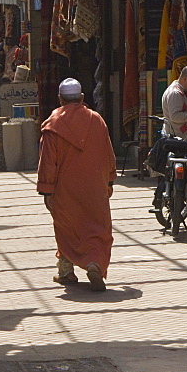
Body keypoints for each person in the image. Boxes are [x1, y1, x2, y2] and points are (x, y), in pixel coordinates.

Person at [37, 79, 116, 292]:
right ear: (82, 98)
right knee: (97, 227)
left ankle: (66, 271)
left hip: (65, 189)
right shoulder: (97, 120)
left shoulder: (52, 126)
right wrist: (109, 179)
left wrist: (46, 189)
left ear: (60, 99)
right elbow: (108, 152)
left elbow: (47, 161)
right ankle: (94, 263)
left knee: (66, 227)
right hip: (95, 186)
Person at [155, 65, 187, 208]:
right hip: (175, 139)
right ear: (184, 78)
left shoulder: (186, 93)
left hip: (184, 137)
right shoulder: (175, 94)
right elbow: (175, 116)